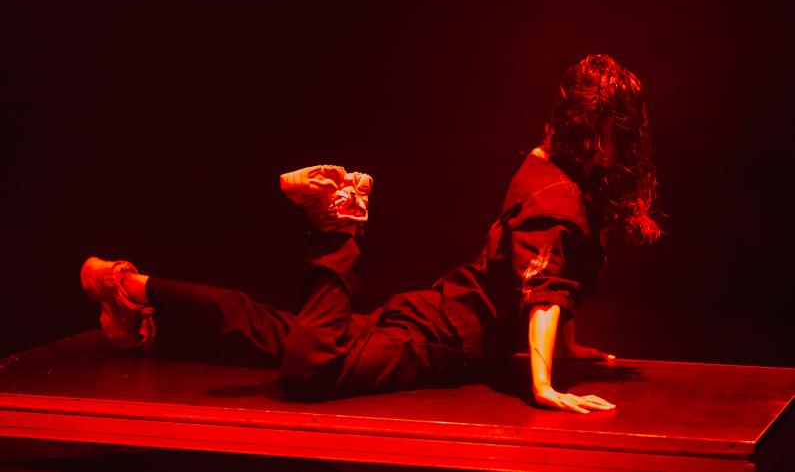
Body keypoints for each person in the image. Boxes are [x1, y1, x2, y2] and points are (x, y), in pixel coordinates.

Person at [80, 53, 660, 413]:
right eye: (613, 131)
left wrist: (569, 349)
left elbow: (552, 277)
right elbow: (543, 292)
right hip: (442, 341)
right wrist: (544, 385)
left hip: (433, 310)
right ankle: (337, 229)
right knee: (312, 367)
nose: (618, 145)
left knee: (271, 330)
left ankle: (133, 289)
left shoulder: (545, 166)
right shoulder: (559, 202)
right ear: (598, 133)